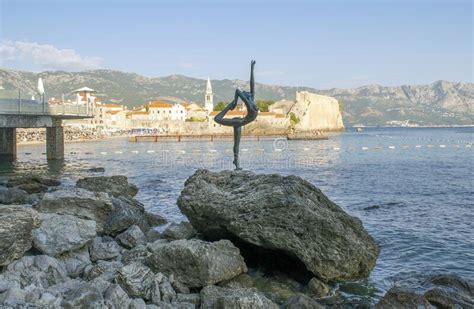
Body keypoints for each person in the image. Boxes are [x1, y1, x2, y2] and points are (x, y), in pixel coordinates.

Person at [214, 60, 258, 170]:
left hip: (240, 122)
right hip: (238, 122)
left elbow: (252, 84)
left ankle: (236, 163)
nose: (249, 92)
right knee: (216, 118)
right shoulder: (249, 104)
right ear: (246, 97)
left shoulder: (251, 100)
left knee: (236, 144)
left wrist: (252, 69)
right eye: (247, 93)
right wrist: (234, 103)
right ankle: (229, 106)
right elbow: (238, 91)